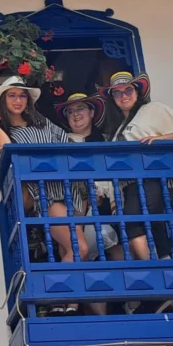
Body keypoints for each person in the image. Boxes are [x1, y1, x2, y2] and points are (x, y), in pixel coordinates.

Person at [0, 77, 86, 316]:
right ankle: (55, 298)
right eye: (12, 95)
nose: (18, 100)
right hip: (47, 195)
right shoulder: (4, 130)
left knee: (66, 250)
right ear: (3, 100)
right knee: (79, 247)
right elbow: (4, 147)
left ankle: (70, 305)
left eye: (22, 96)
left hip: (71, 191)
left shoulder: (44, 124)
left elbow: (64, 145)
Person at [100, 72, 173, 263]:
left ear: (137, 92)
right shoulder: (118, 128)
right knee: (153, 225)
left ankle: (153, 267)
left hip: (155, 177)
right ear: (113, 99)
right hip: (130, 185)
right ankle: (164, 262)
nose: (124, 96)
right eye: (117, 93)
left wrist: (160, 139)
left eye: (128, 89)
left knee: (132, 222)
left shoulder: (154, 109)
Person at [55, 92, 121, 263]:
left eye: (80, 108)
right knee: (71, 244)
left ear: (92, 113)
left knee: (118, 240)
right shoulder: (61, 142)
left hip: (108, 199)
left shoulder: (107, 141)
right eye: (70, 112)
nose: (75, 114)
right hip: (75, 200)